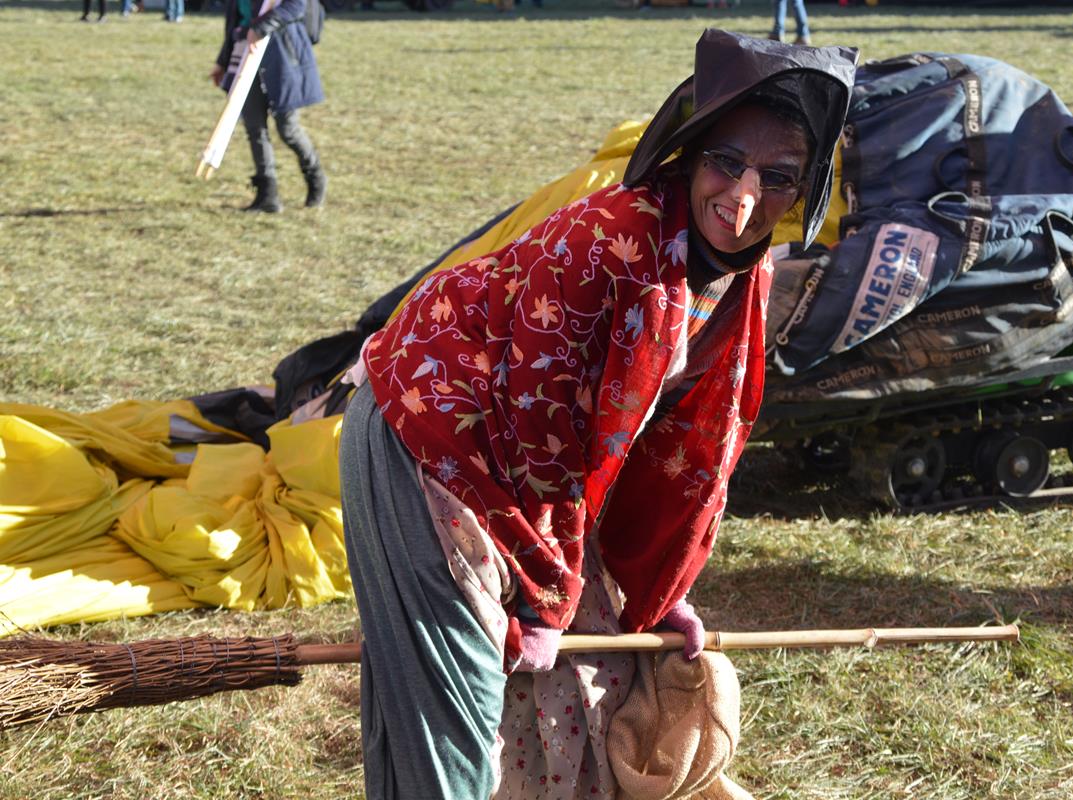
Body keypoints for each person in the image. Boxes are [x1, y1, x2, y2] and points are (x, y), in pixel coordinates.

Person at [339, 28, 856, 799]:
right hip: (430, 439)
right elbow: (538, 428)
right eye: (725, 161)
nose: (744, 197)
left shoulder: (741, 280)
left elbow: (677, 449)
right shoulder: (606, 243)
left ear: (805, 191)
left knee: (590, 682)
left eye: (777, 177)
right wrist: (546, 598)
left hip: (528, 480)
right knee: (456, 715)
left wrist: (655, 591)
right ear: (688, 154)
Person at [209, 0, 327, 212]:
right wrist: (223, 61)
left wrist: (261, 27)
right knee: (254, 126)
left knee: (287, 128)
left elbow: (296, 5)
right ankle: (267, 195)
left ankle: (315, 177)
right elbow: (236, 22)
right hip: (247, 56)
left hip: (282, 56)